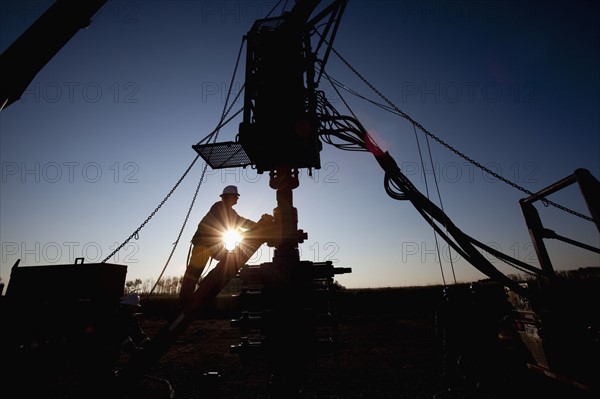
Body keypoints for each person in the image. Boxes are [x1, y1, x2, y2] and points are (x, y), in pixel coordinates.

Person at [180, 185, 265, 305]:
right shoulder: (219, 207)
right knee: (193, 272)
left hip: (212, 245)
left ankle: (205, 283)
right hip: (204, 244)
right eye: (236, 196)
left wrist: (256, 226)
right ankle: (185, 300)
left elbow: (239, 221)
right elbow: (237, 222)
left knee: (228, 259)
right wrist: (256, 227)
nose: (237, 199)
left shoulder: (227, 210)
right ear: (229, 197)